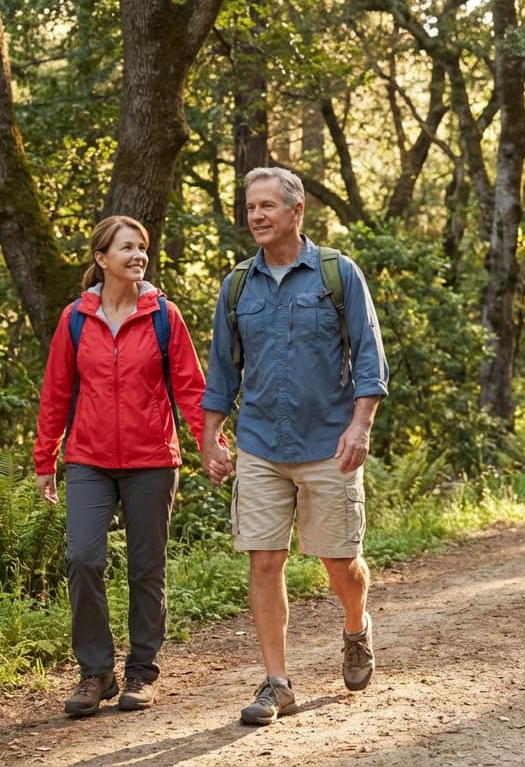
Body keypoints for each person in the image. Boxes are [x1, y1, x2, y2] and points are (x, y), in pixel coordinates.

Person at [200, 167, 389, 726]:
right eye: (250, 207)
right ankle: (276, 682)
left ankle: (356, 628)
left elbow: (370, 360)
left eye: (266, 206)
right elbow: (221, 371)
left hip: (329, 444)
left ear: (295, 210)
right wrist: (210, 436)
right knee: (264, 559)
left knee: (339, 564)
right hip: (260, 442)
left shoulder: (337, 274)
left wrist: (360, 426)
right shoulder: (237, 285)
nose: (256, 216)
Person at [34, 215, 213, 718]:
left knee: (145, 567)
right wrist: (44, 457)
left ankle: (141, 672)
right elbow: (55, 394)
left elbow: (191, 389)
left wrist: (210, 443)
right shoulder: (76, 318)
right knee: (84, 558)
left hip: (152, 458)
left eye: (143, 248)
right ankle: (96, 670)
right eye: (127, 248)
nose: (138, 255)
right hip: (88, 458)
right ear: (101, 258)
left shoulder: (163, 316)